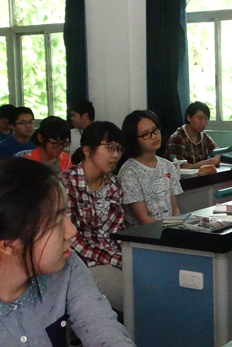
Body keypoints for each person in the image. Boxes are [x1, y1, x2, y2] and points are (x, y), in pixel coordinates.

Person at [0, 157, 135, 347]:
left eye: (67, 215)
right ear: (7, 245)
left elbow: (101, 326)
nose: (72, 231)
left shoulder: (67, 265)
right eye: (56, 223)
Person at [58, 121, 126, 312]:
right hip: (82, 263)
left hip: (112, 255)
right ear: (87, 150)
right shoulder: (65, 184)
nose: (116, 155)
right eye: (110, 148)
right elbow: (73, 240)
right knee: (135, 294)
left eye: (119, 149)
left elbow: (117, 231)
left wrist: (129, 257)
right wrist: (117, 260)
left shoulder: (113, 184)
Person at [118, 110, 183, 228]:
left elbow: (174, 209)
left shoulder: (167, 166)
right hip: (143, 237)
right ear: (134, 140)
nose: (154, 136)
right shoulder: (129, 173)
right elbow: (143, 219)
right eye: (146, 134)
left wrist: (177, 230)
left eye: (155, 130)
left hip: (169, 233)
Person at [165, 101, 220, 169]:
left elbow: (217, 151)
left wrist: (215, 159)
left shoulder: (204, 137)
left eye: (206, 119)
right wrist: (207, 163)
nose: (203, 123)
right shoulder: (177, 138)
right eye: (199, 118)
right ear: (189, 118)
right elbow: (181, 166)